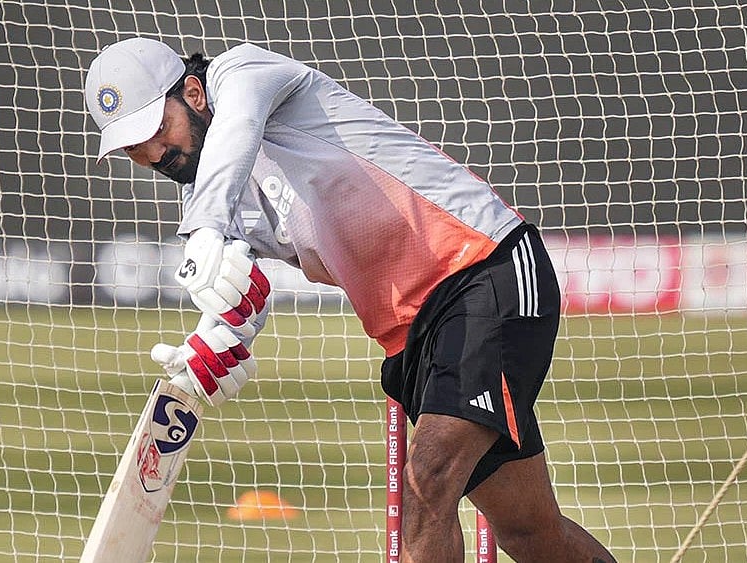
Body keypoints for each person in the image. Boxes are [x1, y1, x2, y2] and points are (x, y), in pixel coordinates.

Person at [84, 37, 616, 562]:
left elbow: (237, 129)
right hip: (408, 336)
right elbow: (242, 292)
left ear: (194, 93)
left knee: (426, 484)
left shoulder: (241, 74)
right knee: (528, 531)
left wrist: (202, 230)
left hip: (480, 269)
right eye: (133, 148)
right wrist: (215, 345)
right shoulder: (211, 197)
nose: (153, 155)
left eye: (157, 130)